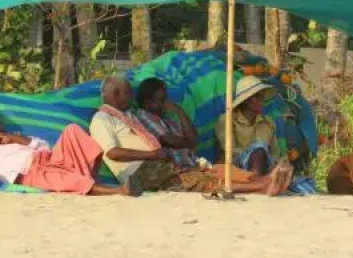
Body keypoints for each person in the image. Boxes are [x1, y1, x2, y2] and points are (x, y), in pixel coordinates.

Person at [89, 76, 291, 195]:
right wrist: (151, 155)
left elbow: (192, 141)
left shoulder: (128, 117)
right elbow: (112, 153)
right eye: (128, 93)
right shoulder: (102, 119)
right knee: (199, 180)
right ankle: (262, 185)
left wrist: (178, 112)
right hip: (142, 171)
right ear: (116, 94)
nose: (131, 97)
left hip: (159, 165)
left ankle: (262, 183)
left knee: (211, 174)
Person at [0, 109, 141, 196]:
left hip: (49, 158)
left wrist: (15, 139)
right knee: (60, 177)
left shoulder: (12, 137)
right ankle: (119, 190)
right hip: (31, 173)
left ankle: (88, 180)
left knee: (72, 130)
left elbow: (44, 147)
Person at [215, 76, 282, 175]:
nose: (261, 99)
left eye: (262, 95)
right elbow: (229, 151)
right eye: (257, 96)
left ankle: (259, 178)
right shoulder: (228, 120)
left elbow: (275, 153)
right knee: (259, 149)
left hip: (266, 169)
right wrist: (255, 152)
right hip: (234, 170)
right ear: (246, 100)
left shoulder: (268, 123)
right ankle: (255, 180)